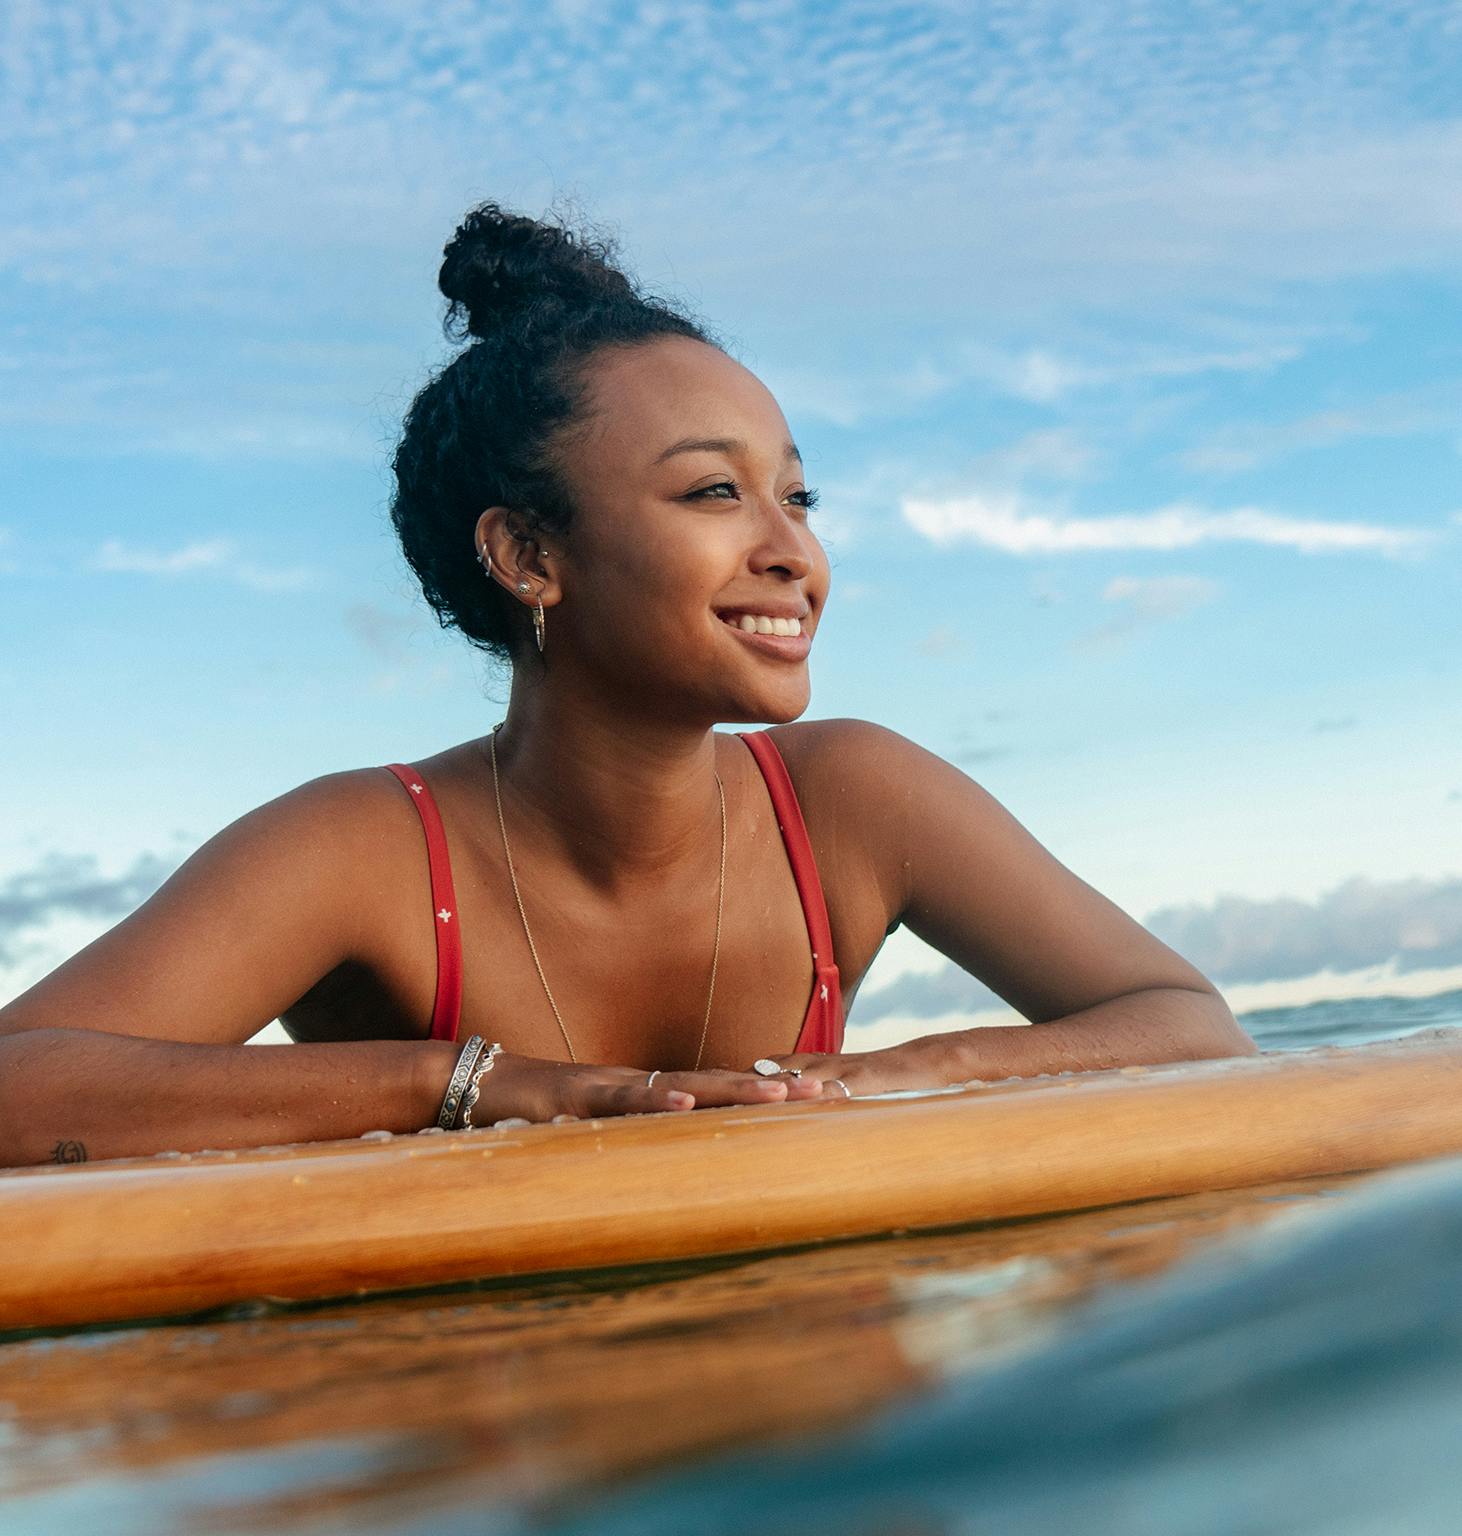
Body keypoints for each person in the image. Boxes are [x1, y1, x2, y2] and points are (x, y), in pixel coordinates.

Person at [0, 202, 1255, 1168]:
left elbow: (1190, 1030)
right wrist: (465, 1084)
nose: (792, 549)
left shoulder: (854, 800)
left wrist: (909, 1074)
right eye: (715, 491)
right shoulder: (368, 852)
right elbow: (21, 1082)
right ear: (530, 556)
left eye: (797, 495)